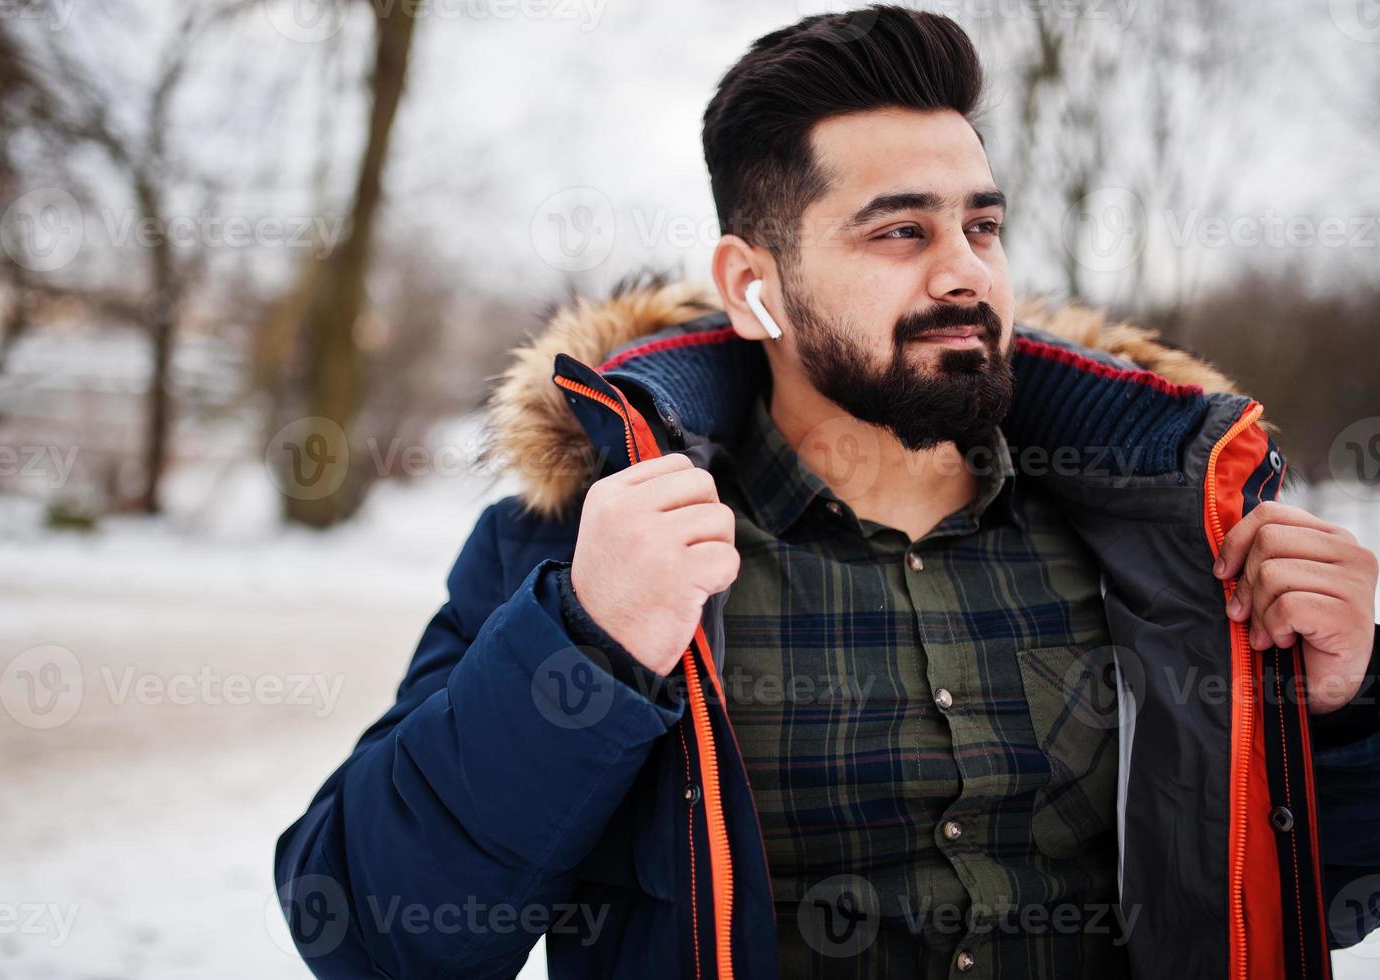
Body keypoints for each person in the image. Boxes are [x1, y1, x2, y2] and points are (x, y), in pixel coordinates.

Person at [275, 6, 1380, 978]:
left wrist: (1343, 710)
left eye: (981, 225)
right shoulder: (584, 541)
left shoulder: (1164, 533)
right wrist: (588, 646)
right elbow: (370, 933)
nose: (966, 271)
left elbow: (1313, 903)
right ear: (754, 286)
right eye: (901, 229)